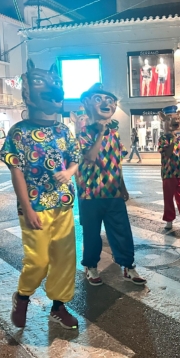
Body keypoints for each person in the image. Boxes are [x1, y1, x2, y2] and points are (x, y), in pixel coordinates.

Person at [0, 59, 79, 330]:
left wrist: (68, 174)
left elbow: (75, 159)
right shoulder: (18, 132)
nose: (54, 89)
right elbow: (16, 170)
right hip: (35, 205)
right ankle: (22, 296)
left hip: (62, 202)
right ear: (28, 95)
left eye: (56, 85)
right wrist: (27, 208)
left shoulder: (63, 130)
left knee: (65, 259)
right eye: (42, 83)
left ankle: (58, 306)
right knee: (38, 259)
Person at [77, 83, 146, 287]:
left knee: (122, 231)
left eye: (110, 100)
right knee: (91, 233)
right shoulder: (83, 134)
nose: (106, 103)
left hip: (113, 193)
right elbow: (90, 157)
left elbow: (117, 162)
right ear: (87, 103)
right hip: (89, 194)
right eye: (99, 99)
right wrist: (100, 133)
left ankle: (128, 266)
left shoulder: (114, 135)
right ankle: (90, 266)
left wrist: (122, 187)